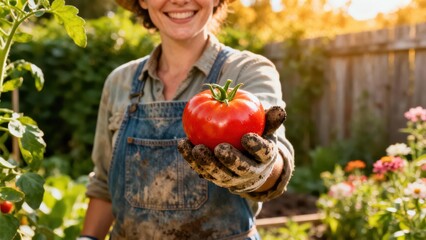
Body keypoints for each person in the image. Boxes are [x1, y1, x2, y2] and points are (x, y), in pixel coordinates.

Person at [80, 0, 294, 239]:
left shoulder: (247, 71)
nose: (180, 0)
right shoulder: (120, 81)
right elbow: (104, 183)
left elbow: (275, 162)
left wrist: (260, 169)